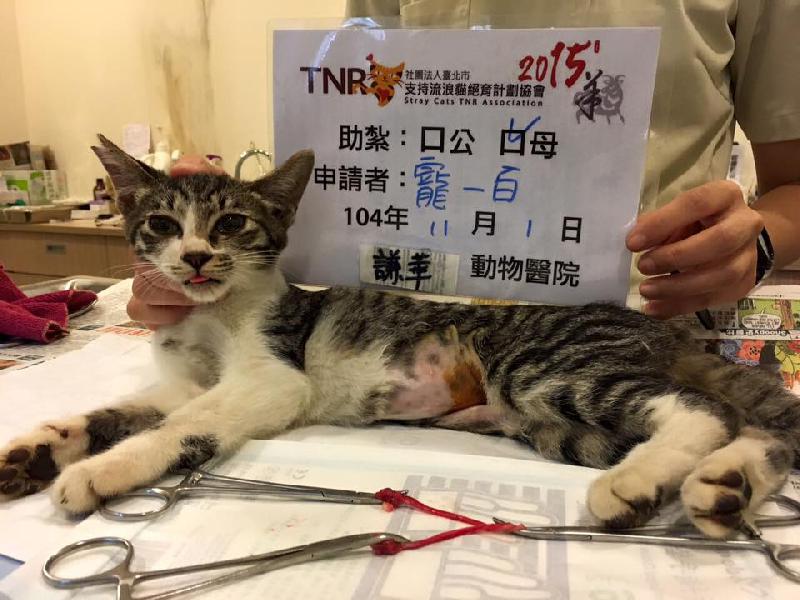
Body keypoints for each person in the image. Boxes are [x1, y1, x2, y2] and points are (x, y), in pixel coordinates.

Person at [127, 0, 800, 329]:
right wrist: (215, 262)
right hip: (388, 335)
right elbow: (368, 141)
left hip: (637, 333)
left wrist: (759, 242)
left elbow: (792, 185)